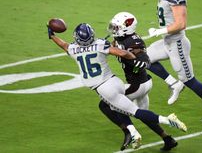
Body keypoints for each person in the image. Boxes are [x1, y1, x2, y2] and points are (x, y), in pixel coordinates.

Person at [47, 22, 187, 151]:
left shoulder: (73, 49)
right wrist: (133, 58)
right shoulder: (101, 44)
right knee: (119, 108)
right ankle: (151, 135)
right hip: (116, 82)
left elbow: (64, 45)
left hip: (106, 88)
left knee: (133, 111)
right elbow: (123, 53)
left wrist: (52, 35)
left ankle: (164, 120)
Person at [99, 12, 186, 151]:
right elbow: (116, 47)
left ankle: (129, 131)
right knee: (143, 114)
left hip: (137, 85)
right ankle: (167, 139)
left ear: (126, 28)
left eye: (117, 27)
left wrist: (143, 62)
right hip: (143, 83)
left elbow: (143, 55)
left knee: (108, 103)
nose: (114, 30)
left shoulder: (133, 42)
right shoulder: (122, 38)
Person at [146, 0, 202, 123]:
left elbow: (181, 24)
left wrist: (160, 31)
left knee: (188, 80)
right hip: (167, 42)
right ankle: (174, 84)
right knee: (144, 58)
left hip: (177, 44)